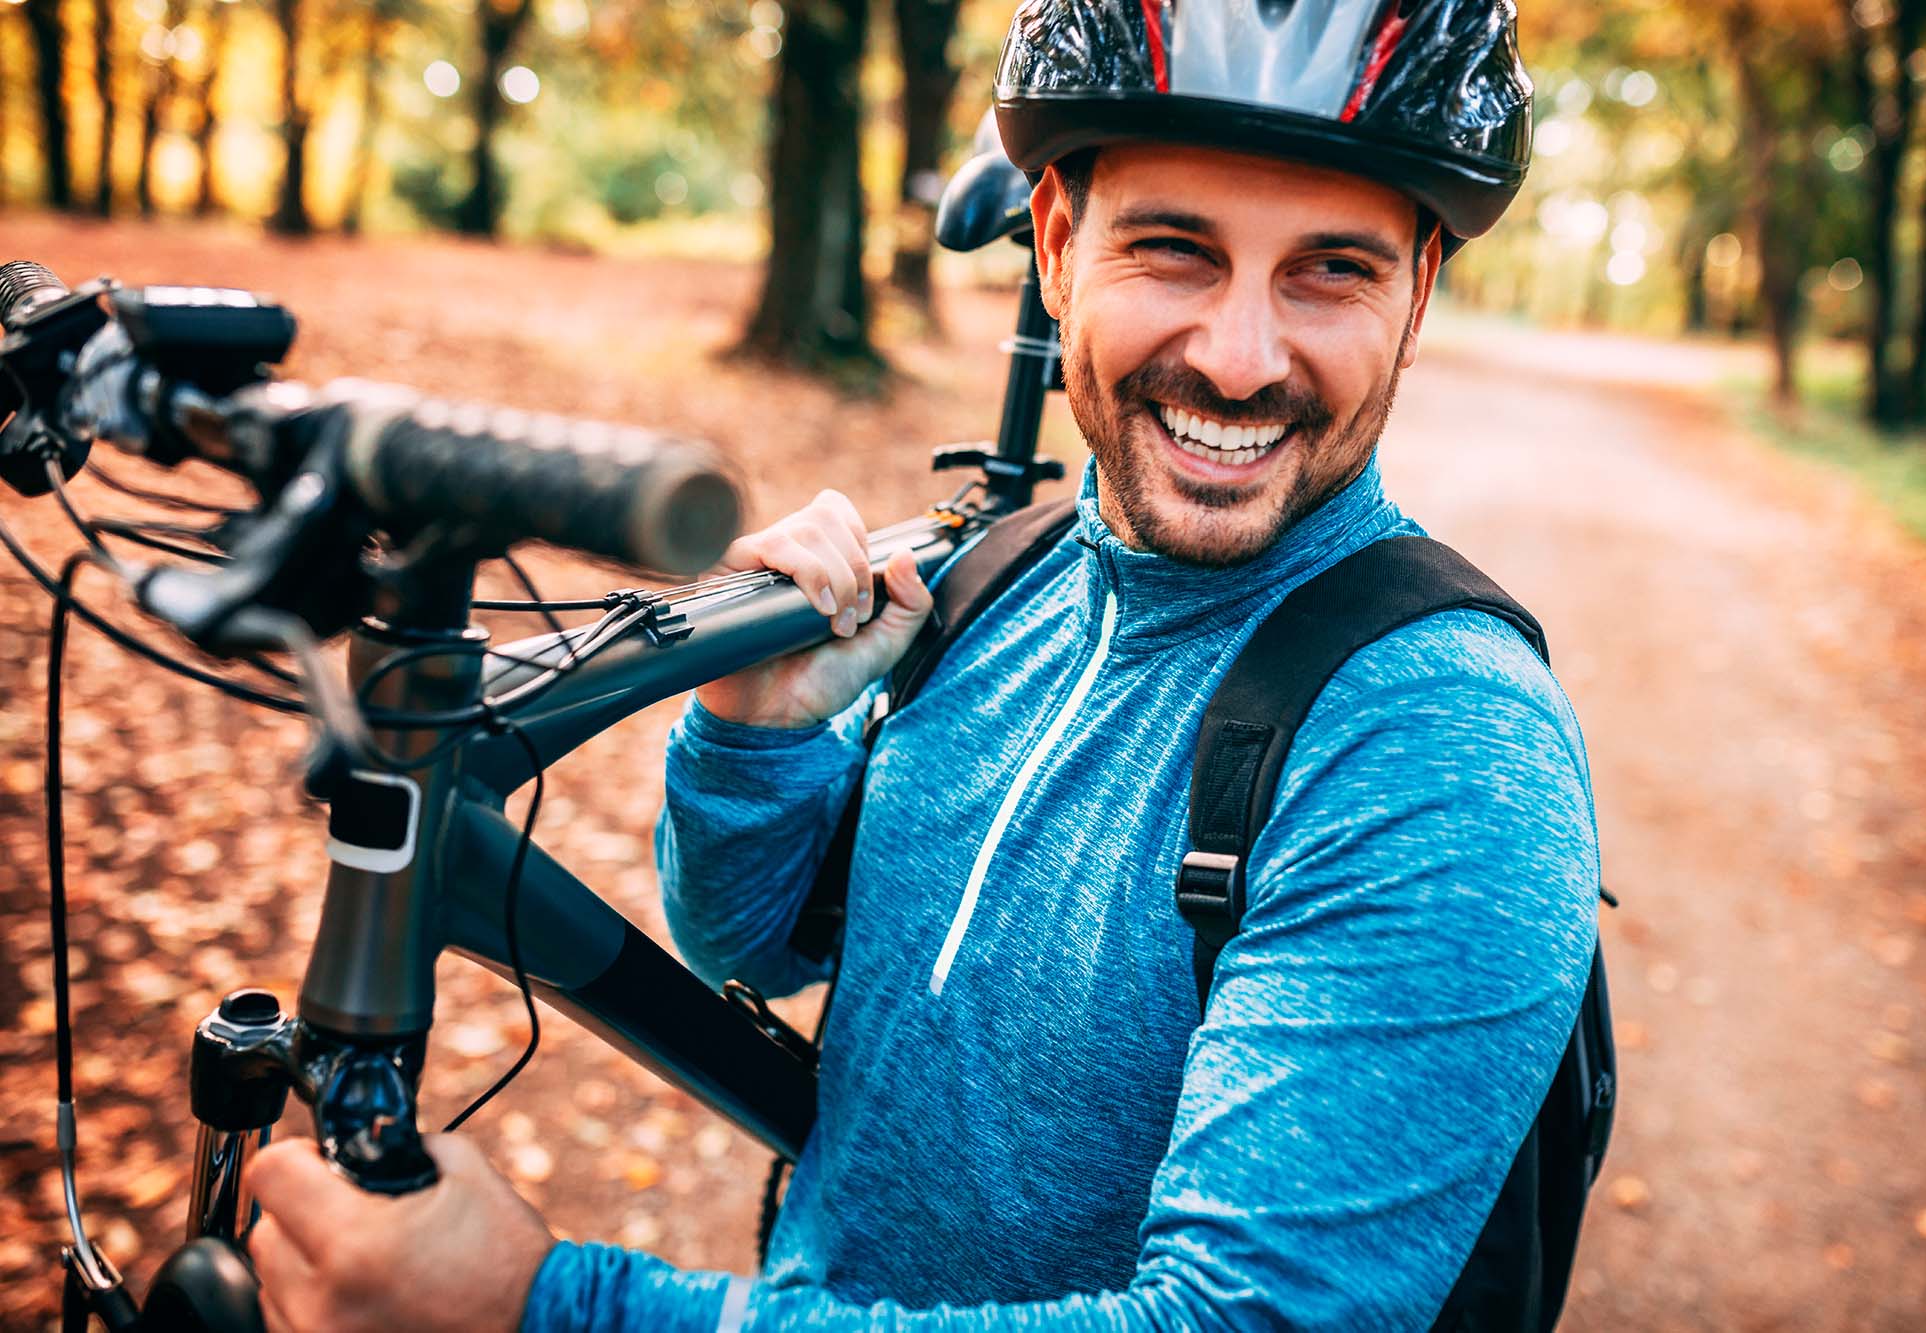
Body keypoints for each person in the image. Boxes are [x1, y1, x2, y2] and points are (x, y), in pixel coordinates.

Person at [244, 1, 1602, 1328]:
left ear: (1418, 291)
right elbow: (759, 945)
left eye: (1332, 269)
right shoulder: (1008, 578)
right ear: (1059, 243)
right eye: (1176, 249)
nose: (1241, 359)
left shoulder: (1438, 742)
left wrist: (543, 1307)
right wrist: (754, 739)